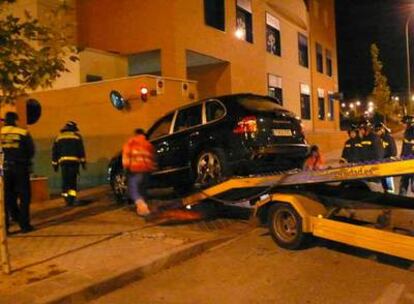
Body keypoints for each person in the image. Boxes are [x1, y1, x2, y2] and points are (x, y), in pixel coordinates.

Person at [1, 112, 35, 233]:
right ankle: (24, 225)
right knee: (24, 196)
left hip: (3, 170)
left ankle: (5, 227)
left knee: (6, 198)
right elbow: (31, 151)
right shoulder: (23, 132)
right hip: (20, 168)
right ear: (15, 120)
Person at [122, 128, 155, 216]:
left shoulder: (131, 142)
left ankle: (142, 207)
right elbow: (152, 157)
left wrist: (126, 167)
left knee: (133, 189)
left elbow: (126, 155)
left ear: (136, 134)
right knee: (142, 189)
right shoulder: (148, 144)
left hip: (136, 169)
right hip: (147, 170)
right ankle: (142, 210)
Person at [52, 121, 86, 206]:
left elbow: (55, 152)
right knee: (72, 181)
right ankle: (72, 199)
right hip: (74, 163)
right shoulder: (77, 137)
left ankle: (66, 199)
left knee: (65, 181)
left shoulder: (58, 137)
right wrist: (83, 163)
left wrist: (55, 164)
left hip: (63, 163)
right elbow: (81, 151)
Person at [375, 122, 397, 193]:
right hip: (381, 161)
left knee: (388, 177)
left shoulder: (389, 138)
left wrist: (389, 157)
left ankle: (391, 192)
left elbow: (393, 151)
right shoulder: (377, 139)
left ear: (382, 130)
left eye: (378, 130)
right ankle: (386, 191)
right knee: (383, 178)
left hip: (387, 160)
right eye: (376, 131)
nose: (377, 132)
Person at [400, 116, 414, 195]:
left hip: (411, 161)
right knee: (403, 182)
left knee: (406, 183)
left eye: (404, 123)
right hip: (406, 160)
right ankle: (401, 200)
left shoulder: (410, 131)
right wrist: (401, 156)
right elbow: (404, 146)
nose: (403, 125)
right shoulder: (406, 132)